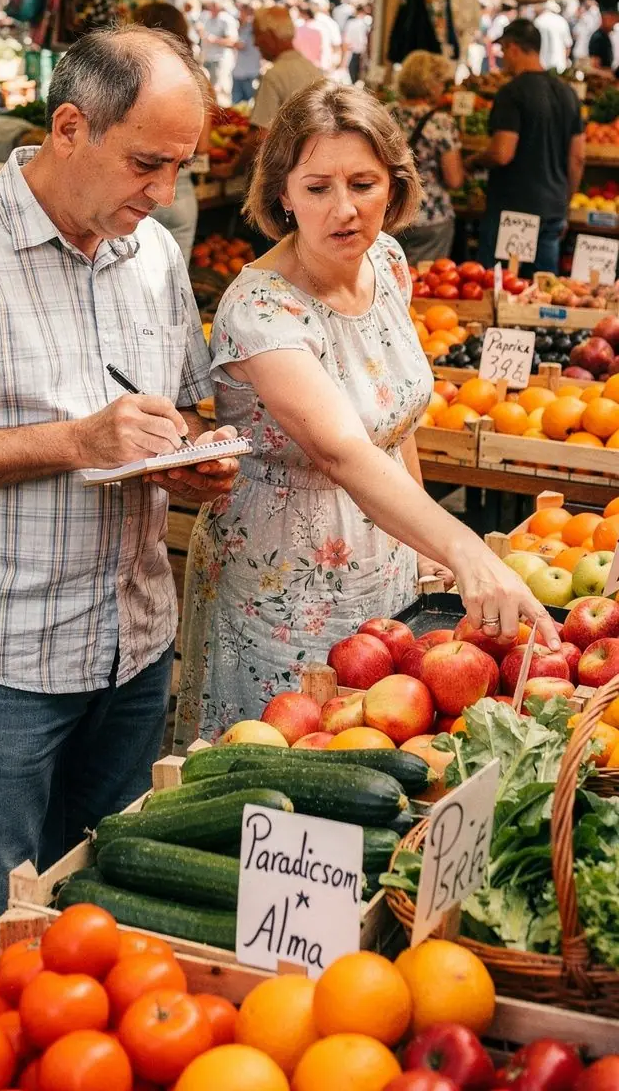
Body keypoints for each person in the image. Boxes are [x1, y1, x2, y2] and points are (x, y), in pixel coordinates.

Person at [0, 25, 241, 990]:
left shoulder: (149, 253)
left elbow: (173, 406)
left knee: (90, 928)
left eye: (180, 167)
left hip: (134, 643)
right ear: (70, 127)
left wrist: (185, 461)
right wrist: (73, 441)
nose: (163, 193)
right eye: (147, 163)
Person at [175, 82, 558, 746]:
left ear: (395, 185)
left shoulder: (387, 261)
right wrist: (466, 548)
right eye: (317, 187)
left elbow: (392, 429)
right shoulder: (260, 311)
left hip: (382, 565)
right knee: (285, 778)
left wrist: (422, 545)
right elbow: (343, 449)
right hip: (283, 586)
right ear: (282, 194)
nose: (344, 209)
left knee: (379, 751)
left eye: (364, 183)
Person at [474, 19, 585, 275]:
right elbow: (578, 157)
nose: (502, 59)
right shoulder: (568, 93)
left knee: (500, 292)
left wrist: (475, 160)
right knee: (541, 293)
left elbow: (502, 153)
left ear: (513, 48)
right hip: (551, 210)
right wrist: (564, 203)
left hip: (512, 213)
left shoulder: (511, 93)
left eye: (503, 51)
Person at [132, 1, 211, 263]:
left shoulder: (134, 76)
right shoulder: (196, 77)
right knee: (172, 293)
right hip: (182, 195)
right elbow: (202, 149)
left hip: (138, 194)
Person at [393, 52, 463, 263]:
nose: (443, 87)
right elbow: (454, 179)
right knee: (425, 284)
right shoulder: (440, 123)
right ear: (431, 84)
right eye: (441, 82)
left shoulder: (385, 116)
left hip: (391, 212)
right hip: (431, 217)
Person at [250, 6, 323, 135]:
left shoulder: (274, 75)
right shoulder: (311, 68)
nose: (255, 43)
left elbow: (261, 136)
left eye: (257, 35)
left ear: (270, 35)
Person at [198, 0, 238, 100]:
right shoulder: (206, 18)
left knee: (217, 89)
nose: (212, 9)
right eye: (211, 7)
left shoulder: (227, 20)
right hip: (208, 57)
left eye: (215, 7)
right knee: (207, 88)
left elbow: (232, 40)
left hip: (220, 59)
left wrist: (215, 40)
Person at [231, 1, 261, 105]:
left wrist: (221, 41)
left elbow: (241, 45)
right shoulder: (251, 26)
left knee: (243, 105)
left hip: (247, 72)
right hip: (245, 71)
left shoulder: (249, 26)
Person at [534, 0, 573, 74]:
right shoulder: (561, 21)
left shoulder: (537, 22)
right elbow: (568, 45)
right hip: (559, 65)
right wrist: (565, 60)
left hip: (542, 65)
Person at [308, 0, 343, 71]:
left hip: (320, 66)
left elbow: (336, 47)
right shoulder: (331, 23)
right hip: (324, 66)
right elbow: (337, 47)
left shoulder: (329, 23)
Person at [293, 2, 328, 70]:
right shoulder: (322, 27)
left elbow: (296, 47)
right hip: (319, 64)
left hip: (304, 65)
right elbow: (325, 47)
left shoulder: (300, 29)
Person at [342, 3, 371, 83]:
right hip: (361, 51)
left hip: (353, 50)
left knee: (353, 70)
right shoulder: (366, 22)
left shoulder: (351, 23)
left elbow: (346, 39)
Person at [589, 7, 619, 73]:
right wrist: (608, 74)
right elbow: (594, 64)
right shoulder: (598, 37)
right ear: (605, 19)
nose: (614, 24)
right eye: (612, 20)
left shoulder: (606, 35)